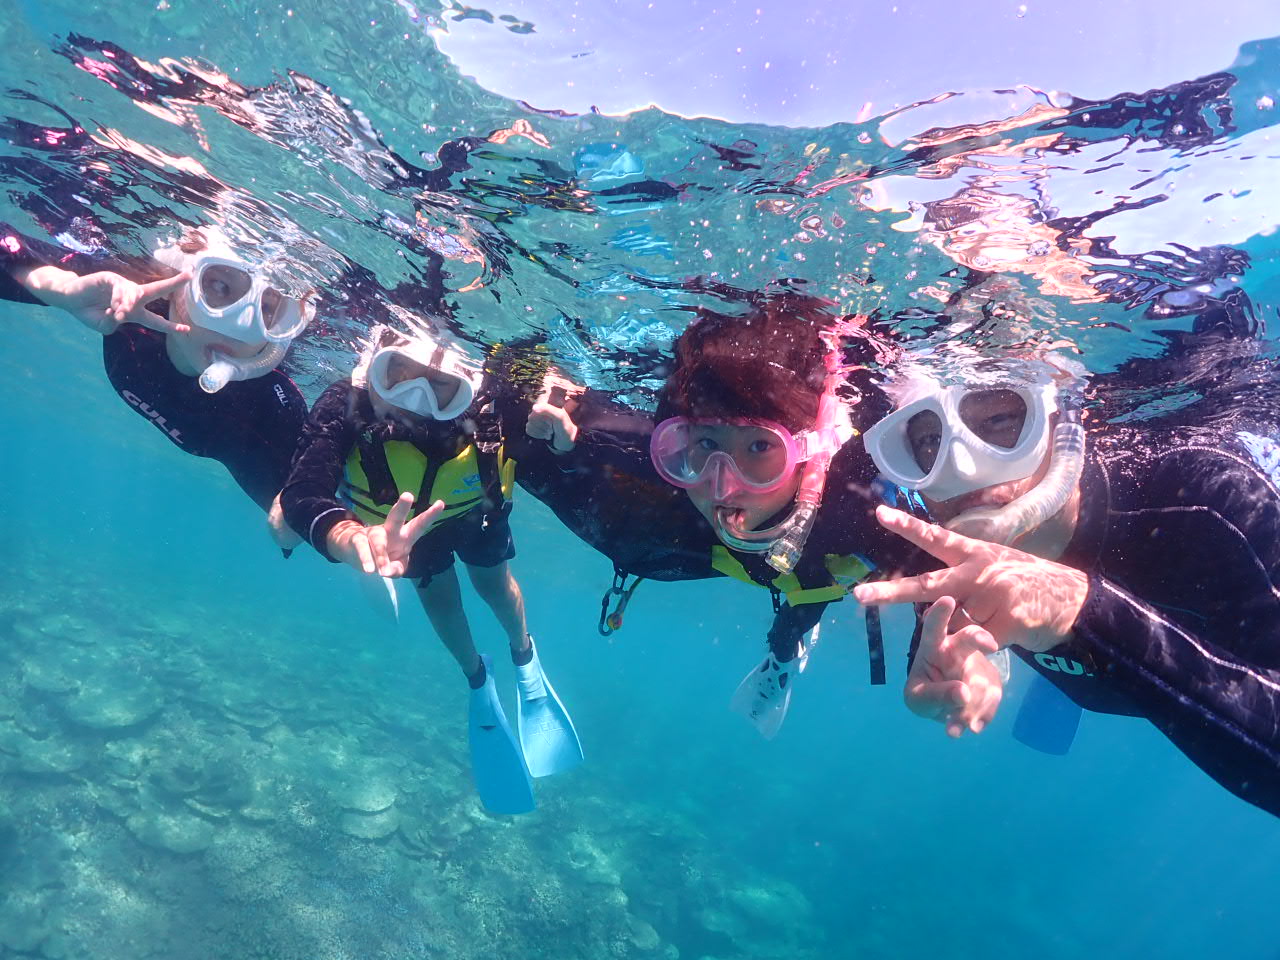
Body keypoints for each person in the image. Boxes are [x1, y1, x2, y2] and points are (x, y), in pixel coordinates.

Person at [857, 349, 1280, 819]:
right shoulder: (944, 538)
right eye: (929, 441)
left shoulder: (1206, 500)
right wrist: (965, 659)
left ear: (1062, 426)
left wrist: (1080, 610)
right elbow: (945, 630)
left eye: (999, 420)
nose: (961, 467)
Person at [512, 295, 917, 738]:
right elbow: (632, 449)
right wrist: (572, 439)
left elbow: (952, 569)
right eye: (705, 444)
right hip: (734, 559)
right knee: (638, 544)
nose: (722, 488)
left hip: (813, 574)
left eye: (759, 446)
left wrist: (962, 623)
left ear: (810, 454)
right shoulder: (683, 463)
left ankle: (781, 664)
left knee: (792, 626)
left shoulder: (864, 511)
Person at [280, 323, 583, 815]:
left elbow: (558, 462)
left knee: (495, 586)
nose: (416, 399)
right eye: (399, 375)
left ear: (469, 386)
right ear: (374, 366)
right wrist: (350, 537)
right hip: (399, 531)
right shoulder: (346, 404)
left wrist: (564, 446)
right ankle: (477, 678)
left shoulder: (499, 404)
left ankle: (525, 659)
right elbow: (302, 492)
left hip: (475, 510)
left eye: (442, 387)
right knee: (439, 598)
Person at [1, 223, 313, 548]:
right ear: (175, 283)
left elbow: (313, 511)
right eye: (219, 286)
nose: (238, 326)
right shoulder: (130, 304)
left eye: (266, 309)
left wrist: (304, 519)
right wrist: (57, 288)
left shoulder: (274, 405)